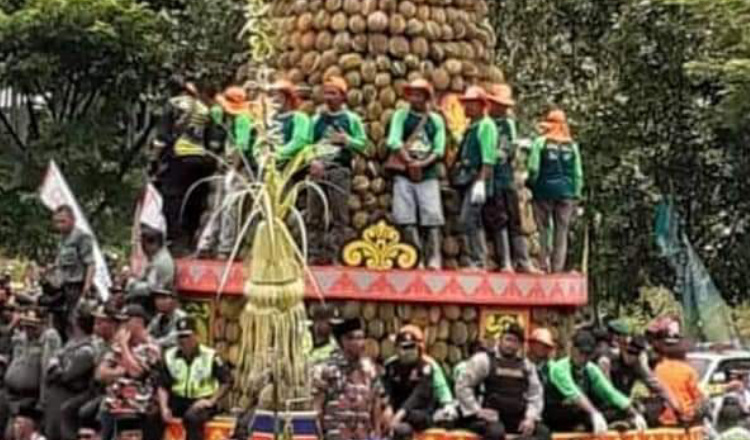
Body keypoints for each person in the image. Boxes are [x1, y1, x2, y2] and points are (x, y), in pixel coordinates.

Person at [386, 79, 446, 270]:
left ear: (427, 97)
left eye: (419, 95)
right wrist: (409, 162)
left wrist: (422, 164)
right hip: (404, 174)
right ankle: (414, 257)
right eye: (412, 95)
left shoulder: (436, 120)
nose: (414, 98)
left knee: (432, 215)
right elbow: (393, 141)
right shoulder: (401, 116)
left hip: (428, 174)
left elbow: (439, 149)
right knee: (405, 217)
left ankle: (434, 258)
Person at [308, 77, 368, 264]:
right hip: (317, 170)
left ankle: (335, 253)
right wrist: (312, 161)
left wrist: (347, 140)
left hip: (339, 170)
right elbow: (307, 144)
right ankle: (313, 253)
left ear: (343, 96)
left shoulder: (351, 119)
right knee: (314, 214)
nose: (329, 97)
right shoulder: (316, 119)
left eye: (333, 93)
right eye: (326, 93)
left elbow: (363, 144)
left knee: (339, 216)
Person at [152, 80, 216, 253]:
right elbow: (210, 139)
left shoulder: (173, 105)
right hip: (200, 160)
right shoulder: (204, 109)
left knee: (173, 199)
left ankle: (175, 239)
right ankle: (190, 238)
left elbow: (161, 139)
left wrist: (154, 161)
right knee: (194, 200)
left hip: (178, 158)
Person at [456, 323, 548, 440]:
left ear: (520, 345)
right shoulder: (483, 360)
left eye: (515, 341)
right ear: (500, 340)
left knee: (543, 432)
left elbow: (535, 395)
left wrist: (530, 418)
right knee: (496, 433)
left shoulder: (527, 366)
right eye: (508, 339)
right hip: (491, 418)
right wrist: (477, 410)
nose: (510, 345)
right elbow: (463, 385)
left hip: (517, 417)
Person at [483, 84, 539, 273]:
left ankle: (523, 260)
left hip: (506, 177)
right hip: (492, 178)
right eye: (499, 105)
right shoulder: (485, 123)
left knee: (515, 219)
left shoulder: (508, 124)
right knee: (499, 219)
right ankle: (505, 261)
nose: (503, 109)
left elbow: (512, 151)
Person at [544, 330, 647, 433]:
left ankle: (616, 423)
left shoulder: (590, 368)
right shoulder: (559, 368)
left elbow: (609, 392)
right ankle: (589, 424)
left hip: (582, 410)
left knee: (619, 407)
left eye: (588, 354)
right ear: (572, 349)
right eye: (581, 352)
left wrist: (634, 412)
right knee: (580, 411)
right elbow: (575, 394)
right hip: (557, 412)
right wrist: (594, 413)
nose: (584, 357)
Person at [197, 86, 258, 260]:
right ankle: (208, 244)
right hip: (226, 163)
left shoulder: (243, 119)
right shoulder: (222, 115)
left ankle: (226, 246)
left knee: (231, 205)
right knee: (218, 205)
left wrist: (234, 169)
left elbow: (241, 148)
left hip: (243, 168)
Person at [527, 109, 583, 272]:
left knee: (542, 228)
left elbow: (533, 168)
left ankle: (543, 263)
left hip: (543, 191)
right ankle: (557, 268)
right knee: (561, 231)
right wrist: (576, 193)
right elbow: (578, 173)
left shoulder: (540, 142)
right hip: (567, 193)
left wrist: (531, 183)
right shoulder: (572, 146)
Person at [158, 316, 232, 440]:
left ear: (196, 336)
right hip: (177, 400)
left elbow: (227, 381)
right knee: (153, 415)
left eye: (187, 336)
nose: (183, 340)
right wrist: (164, 407)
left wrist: (211, 401)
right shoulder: (169, 355)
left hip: (201, 401)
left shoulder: (210, 355)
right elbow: (162, 385)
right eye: (180, 336)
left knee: (192, 418)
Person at [97, 305, 162, 440]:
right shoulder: (118, 345)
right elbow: (100, 373)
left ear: (139, 323)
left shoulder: (151, 346)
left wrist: (124, 346)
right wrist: (119, 372)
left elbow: (135, 373)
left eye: (126, 321)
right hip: (113, 401)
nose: (122, 326)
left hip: (137, 405)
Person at [313, 318, 384, 440]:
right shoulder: (328, 369)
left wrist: (377, 432)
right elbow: (317, 408)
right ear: (344, 341)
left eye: (362, 338)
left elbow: (376, 402)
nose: (361, 343)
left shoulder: (369, 369)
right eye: (356, 338)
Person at [383, 326, 453, 440]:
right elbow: (386, 389)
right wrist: (387, 407)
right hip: (396, 411)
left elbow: (418, 395)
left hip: (418, 412)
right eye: (404, 347)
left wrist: (399, 415)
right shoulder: (390, 366)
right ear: (396, 349)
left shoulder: (426, 367)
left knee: (408, 424)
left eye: (412, 347)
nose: (409, 352)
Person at [453, 86, 497, 270]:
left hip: (477, 178)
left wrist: (481, 182)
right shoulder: (472, 127)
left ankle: (478, 261)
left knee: (468, 219)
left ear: (481, 106)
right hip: (468, 178)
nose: (467, 108)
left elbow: (488, 158)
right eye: (466, 104)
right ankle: (479, 260)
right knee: (474, 220)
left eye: (471, 104)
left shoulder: (486, 126)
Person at [46, 306, 97, 440]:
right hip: (55, 394)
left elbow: (66, 375)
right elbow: (53, 360)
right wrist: (57, 364)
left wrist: (57, 366)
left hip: (70, 394)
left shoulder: (87, 349)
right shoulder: (71, 342)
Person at [2, 309, 61, 426]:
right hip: (10, 394)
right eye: (26, 324)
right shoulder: (21, 337)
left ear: (42, 324)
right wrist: (12, 326)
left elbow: (46, 371)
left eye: (33, 325)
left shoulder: (48, 338)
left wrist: (42, 401)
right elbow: (5, 348)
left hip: (29, 398)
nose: (28, 328)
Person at [608, 335, 680, 425]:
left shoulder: (638, 364)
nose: (631, 357)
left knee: (658, 403)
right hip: (608, 400)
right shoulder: (610, 360)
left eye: (635, 354)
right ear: (623, 348)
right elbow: (607, 390)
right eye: (629, 352)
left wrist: (675, 406)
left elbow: (656, 385)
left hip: (625, 401)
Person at [50, 205, 95, 337]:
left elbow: (90, 263)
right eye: (57, 222)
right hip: (61, 287)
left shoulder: (81, 237)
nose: (59, 225)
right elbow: (59, 264)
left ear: (73, 220)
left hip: (76, 286)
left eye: (63, 221)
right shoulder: (61, 239)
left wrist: (87, 286)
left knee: (74, 320)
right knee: (59, 319)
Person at [654, 329, 703, 427]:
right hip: (685, 418)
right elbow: (698, 398)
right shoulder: (688, 371)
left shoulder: (657, 369)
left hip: (663, 418)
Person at [125, 225, 175, 316]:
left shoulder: (160, 262)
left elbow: (150, 287)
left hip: (154, 300)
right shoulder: (156, 257)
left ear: (153, 244)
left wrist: (132, 286)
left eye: (144, 245)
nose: (143, 249)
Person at [270, 79, 312, 163]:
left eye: (279, 96)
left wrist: (278, 152)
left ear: (289, 98)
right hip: (269, 163)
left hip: (294, 164)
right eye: (273, 96)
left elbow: (299, 141)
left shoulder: (300, 118)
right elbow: (260, 141)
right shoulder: (270, 118)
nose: (275, 99)